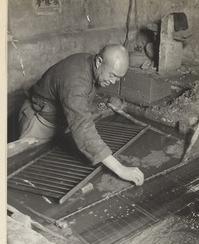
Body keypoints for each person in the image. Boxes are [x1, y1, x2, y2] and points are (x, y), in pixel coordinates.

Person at [18, 44, 144, 186]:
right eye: (112, 75)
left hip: (61, 121)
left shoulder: (91, 65)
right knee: (24, 172)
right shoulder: (75, 77)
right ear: (99, 62)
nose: (114, 81)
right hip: (39, 120)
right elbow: (81, 126)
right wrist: (120, 169)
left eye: (118, 78)